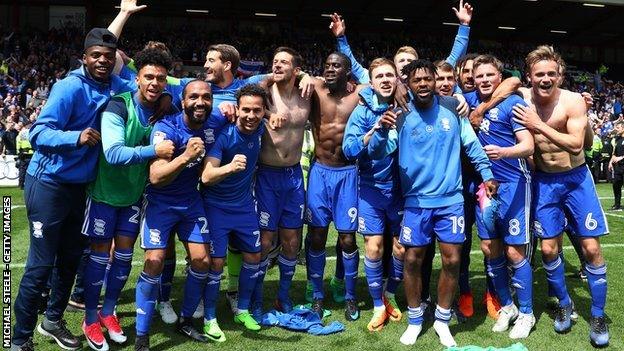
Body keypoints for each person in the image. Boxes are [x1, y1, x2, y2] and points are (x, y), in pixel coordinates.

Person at [11, 28, 134, 351]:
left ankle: (52, 320)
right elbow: (38, 134)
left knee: (69, 260)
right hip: (49, 184)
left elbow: (151, 88)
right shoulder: (68, 87)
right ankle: (19, 339)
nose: (102, 61)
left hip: (81, 189)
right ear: (84, 58)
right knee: (40, 265)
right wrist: (75, 137)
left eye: (108, 57)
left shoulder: (119, 87)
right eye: (96, 56)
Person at [368, 59, 497, 347]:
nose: (423, 84)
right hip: (416, 203)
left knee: (452, 260)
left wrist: (487, 173)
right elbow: (377, 153)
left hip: (451, 200)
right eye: (417, 80)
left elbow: (472, 146)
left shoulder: (452, 109)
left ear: (435, 81)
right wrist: (379, 130)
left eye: (428, 79)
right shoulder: (399, 115)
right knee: (413, 260)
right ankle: (415, 320)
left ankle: (441, 320)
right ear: (409, 85)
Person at [513, 45, 610, 347]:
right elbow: (503, 83)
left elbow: (576, 145)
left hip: (576, 179)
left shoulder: (572, 101)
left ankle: (597, 314)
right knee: (548, 251)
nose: (545, 79)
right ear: (528, 76)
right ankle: (565, 304)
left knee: (592, 249)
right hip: (544, 182)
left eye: (551, 74)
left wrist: (538, 125)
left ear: (560, 75)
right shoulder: (521, 98)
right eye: (539, 74)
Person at [80, 48, 175, 351]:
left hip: (133, 197)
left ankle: (109, 313)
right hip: (104, 194)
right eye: (149, 76)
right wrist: (153, 152)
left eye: (160, 78)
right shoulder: (117, 106)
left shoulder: (162, 108)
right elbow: (113, 152)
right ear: (137, 78)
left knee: (123, 259)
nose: (154, 83)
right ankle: (91, 318)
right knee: (98, 257)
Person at [134, 79, 214, 350]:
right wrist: (185, 156)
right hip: (161, 202)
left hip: (191, 202)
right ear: (183, 101)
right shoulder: (166, 128)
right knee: (154, 261)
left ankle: (186, 319)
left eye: (206, 97)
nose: (200, 102)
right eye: (193, 97)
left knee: (202, 261)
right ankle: (142, 335)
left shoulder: (213, 126)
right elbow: (156, 176)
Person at [468, 54, 535, 339]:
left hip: (515, 184)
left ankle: (527, 312)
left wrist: (503, 152)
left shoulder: (514, 103)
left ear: (499, 77)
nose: (483, 80)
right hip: (486, 187)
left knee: (514, 251)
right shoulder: (469, 102)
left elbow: (528, 145)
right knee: (489, 249)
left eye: (489, 75)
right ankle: (507, 306)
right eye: (479, 76)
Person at [342, 58, 404, 331]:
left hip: (403, 190)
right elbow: (349, 150)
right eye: (380, 76)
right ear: (372, 81)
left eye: (390, 75)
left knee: (401, 247)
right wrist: (375, 131)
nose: (386, 80)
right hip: (370, 190)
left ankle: (390, 295)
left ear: (397, 78)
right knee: (374, 248)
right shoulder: (362, 111)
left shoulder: (408, 106)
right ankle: (378, 305)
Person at [304, 52, 365, 320]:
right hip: (320, 172)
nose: (329, 69)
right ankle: (316, 293)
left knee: (347, 238)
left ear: (347, 71)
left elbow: (388, 81)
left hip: (348, 173)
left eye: (336, 65)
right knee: (317, 235)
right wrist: (304, 75)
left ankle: (349, 295)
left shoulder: (359, 94)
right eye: (326, 65)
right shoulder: (315, 88)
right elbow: (286, 74)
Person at [200, 84, 267, 332]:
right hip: (216, 207)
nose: (251, 116)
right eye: (246, 110)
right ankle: (209, 318)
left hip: (244, 207)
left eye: (257, 111)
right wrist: (229, 167)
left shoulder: (261, 127)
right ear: (237, 109)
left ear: (263, 112)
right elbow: (206, 176)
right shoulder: (224, 136)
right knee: (216, 264)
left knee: (254, 256)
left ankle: (243, 310)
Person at [252, 47, 311, 314]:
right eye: (274, 61)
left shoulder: (307, 94)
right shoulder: (263, 91)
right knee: (264, 241)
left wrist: (309, 75)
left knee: (291, 241)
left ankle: (283, 296)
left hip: (294, 176)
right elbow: (245, 94)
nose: (277, 65)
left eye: (283, 62)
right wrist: (266, 114)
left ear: (296, 70)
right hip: (267, 175)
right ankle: (255, 296)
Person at [608, 122, 624, 210]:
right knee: (616, 185)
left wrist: (620, 158)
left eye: (618, 128)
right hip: (618, 167)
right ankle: (617, 204)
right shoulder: (617, 139)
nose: (616, 129)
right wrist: (611, 161)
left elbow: (619, 156)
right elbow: (614, 153)